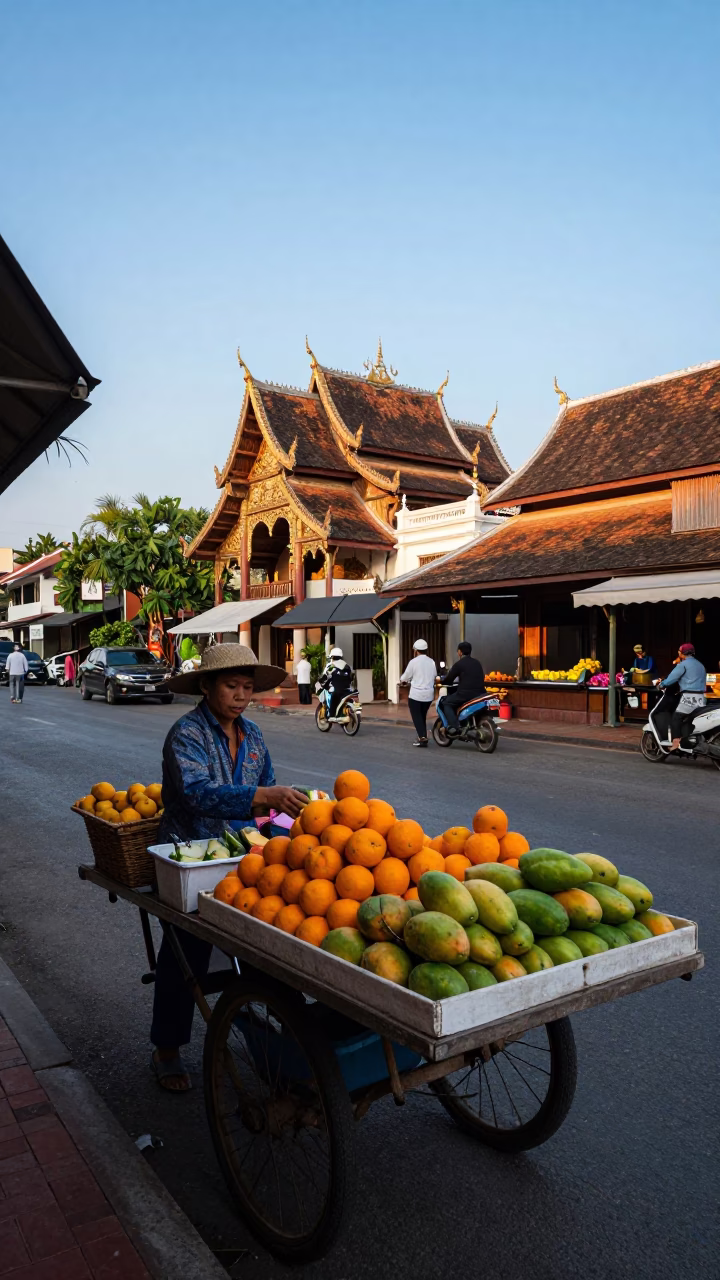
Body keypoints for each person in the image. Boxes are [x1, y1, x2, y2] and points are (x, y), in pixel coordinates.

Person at [150, 643, 308, 1091]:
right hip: (189, 857)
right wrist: (265, 797)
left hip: (245, 858)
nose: (241, 696)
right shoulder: (187, 734)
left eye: (246, 688)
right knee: (186, 957)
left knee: (268, 947)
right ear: (206, 686)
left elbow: (269, 800)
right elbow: (198, 793)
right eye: (231, 686)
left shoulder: (254, 736)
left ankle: (271, 1032)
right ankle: (167, 1047)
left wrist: (292, 825)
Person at [658, 642, 707, 750]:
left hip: (689, 698)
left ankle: (675, 742)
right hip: (701, 698)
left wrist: (661, 685)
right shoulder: (700, 665)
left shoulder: (683, 665)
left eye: (679, 652)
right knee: (690, 719)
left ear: (682, 653)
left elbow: (671, 679)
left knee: (676, 717)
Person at [440, 640, 486, 733]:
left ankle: (455, 727)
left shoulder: (459, 664)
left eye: (458, 651)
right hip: (481, 692)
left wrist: (441, 681)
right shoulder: (477, 662)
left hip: (466, 694)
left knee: (447, 703)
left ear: (460, 652)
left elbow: (449, 680)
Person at [400, 638, 437, 747]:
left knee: (417, 716)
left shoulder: (413, 662)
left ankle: (422, 738)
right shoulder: (432, 662)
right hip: (429, 695)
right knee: (422, 715)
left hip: (416, 695)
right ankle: (423, 735)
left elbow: (405, 677)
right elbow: (434, 675)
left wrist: (402, 680)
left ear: (416, 651)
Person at [319, 646, 354, 719]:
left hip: (336, 689)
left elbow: (325, 675)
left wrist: (321, 680)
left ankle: (331, 715)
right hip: (348, 689)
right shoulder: (346, 665)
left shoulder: (331, 666)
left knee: (333, 696)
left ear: (332, 656)